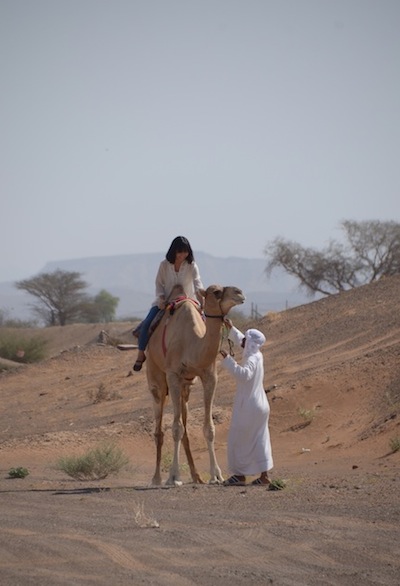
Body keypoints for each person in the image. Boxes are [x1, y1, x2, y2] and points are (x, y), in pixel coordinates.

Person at [133, 236, 204, 372]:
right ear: (174, 251)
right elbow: (159, 283)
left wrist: (202, 299)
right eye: (180, 252)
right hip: (165, 302)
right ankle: (141, 353)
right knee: (147, 323)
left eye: (186, 252)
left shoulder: (192, 265)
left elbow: (197, 282)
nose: (183, 255)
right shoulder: (164, 265)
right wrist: (160, 298)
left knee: (205, 323)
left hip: (188, 300)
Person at [219, 322, 273, 486]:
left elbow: (244, 375)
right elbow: (242, 339)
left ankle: (239, 476)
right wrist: (230, 328)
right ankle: (264, 477)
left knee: (237, 439)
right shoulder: (257, 354)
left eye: (246, 340)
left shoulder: (251, 358)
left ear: (250, 344)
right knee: (260, 439)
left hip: (249, 406)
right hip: (260, 405)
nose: (242, 341)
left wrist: (228, 360)